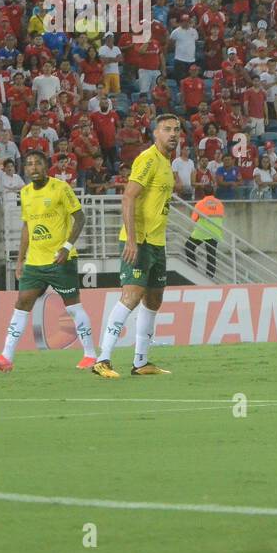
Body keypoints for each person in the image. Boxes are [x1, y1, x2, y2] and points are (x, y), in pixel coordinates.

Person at [0, 150, 98, 372]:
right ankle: (6, 357)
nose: (33, 167)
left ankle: (90, 355)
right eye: (29, 164)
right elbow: (27, 227)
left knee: (73, 307)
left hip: (60, 260)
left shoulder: (60, 188)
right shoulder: (25, 193)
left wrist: (67, 247)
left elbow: (80, 217)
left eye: (37, 163)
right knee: (21, 304)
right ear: (25, 169)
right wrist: (20, 260)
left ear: (46, 167)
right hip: (35, 262)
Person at [91, 113, 181, 377]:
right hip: (138, 241)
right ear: (155, 133)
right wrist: (131, 239)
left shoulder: (166, 162)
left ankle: (141, 362)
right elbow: (128, 197)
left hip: (156, 242)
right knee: (131, 297)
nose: (173, 134)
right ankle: (103, 359)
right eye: (167, 129)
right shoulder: (148, 158)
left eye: (176, 129)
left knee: (154, 299)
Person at [185, 190, 223, 279]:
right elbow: (221, 215)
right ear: (213, 193)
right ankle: (210, 276)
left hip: (201, 231)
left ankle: (194, 270)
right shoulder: (219, 203)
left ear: (203, 193)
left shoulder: (200, 203)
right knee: (211, 254)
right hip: (215, 231)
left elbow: (194, 218)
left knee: (189, 247)